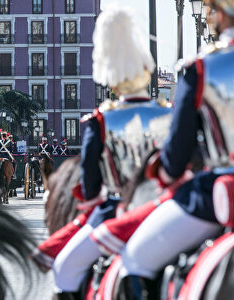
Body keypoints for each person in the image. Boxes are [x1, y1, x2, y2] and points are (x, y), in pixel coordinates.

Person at [118, 1, 234, 298]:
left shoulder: (199, 67)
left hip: (222, 193)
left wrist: (168, 172)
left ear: (217, 13)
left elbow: (175, 158)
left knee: (135, 257)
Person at [49, 5, 172, 299]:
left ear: (113, 79)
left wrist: (93, 197)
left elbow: (91, 183)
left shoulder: (100, 120)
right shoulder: (168, 113)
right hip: (164, 208)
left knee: (64, 269)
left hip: (117, 211)